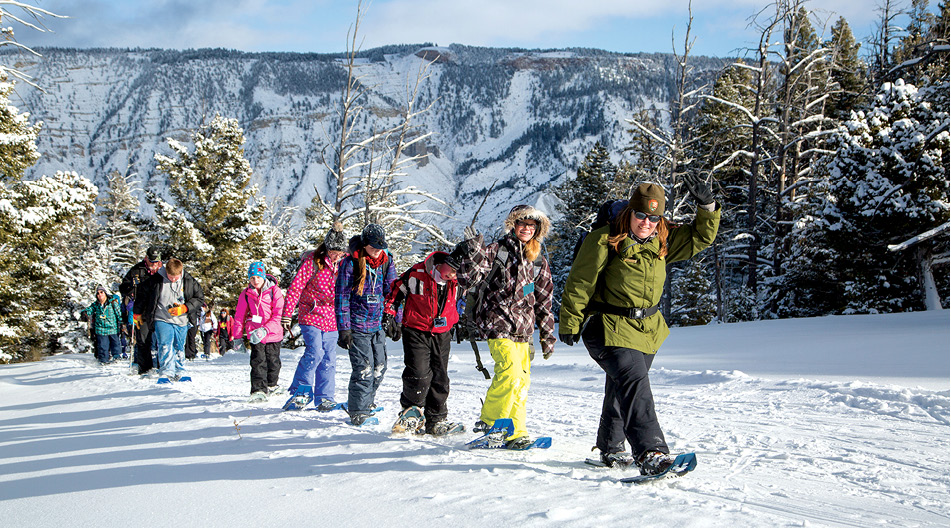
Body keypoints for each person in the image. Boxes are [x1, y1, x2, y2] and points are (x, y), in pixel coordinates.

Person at [558, 177, 719, 476]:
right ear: (630, 212)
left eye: (654, 217)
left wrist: (707, 207)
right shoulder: (605, 239)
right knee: (634, 383)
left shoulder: (663, 240)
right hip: (606, 326)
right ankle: (652, 453)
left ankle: (611, 447)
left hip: (647, 329)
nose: (647, 222)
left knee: (624, 386)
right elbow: (580, 282)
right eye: (641, 215)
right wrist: (570, 320)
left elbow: (700, 237)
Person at [455, 205, 556, 449]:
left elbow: (544, 300)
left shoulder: (538, 259)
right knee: (509, 372)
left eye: (532, 226)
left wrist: (547, 335)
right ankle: (491, 422)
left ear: (538, 230)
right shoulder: (496, 250)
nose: (527, 229)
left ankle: (516, 431)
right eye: (522, 224)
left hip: (524, 328)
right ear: (513, 225)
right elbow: (469, 277)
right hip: (496, 320)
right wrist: (474, 250)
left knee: (521, 381)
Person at [383, 248, 466, 435]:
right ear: (442, 264)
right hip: (416, 329)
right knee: (419, 373)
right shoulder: (418, 273)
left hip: (443, 332)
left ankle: (436, 420)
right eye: (452, 270)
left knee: (440, 377)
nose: (453, 275)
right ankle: (411, 413)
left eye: (457, 272)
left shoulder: (458, 281)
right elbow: (396, 291)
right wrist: (389, 313)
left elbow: (465, 298)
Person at [335, 223, 397, 426]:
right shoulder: (350, 263)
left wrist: (394, 318)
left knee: (380, 366)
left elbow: (393, 292)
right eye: (373, 247)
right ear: (364, 245)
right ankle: (358, 411)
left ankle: (367, 401)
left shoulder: (386, 260)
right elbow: (342, 296)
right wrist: (344, 329)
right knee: (364, 369)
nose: (377, 251)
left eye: (380, 247)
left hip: (377, 324)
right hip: (357, 325)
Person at [282, 223, 348, 410]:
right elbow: (296, 287)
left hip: (332, 317)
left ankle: (324, 397)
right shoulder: (313, 261)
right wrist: (287, 314)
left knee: (328, 357)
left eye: (340, 253)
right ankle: (301, 389)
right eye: (333, 252)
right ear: (326, 249)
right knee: (315, 351)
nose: (336, 256)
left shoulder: (344, 264)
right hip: (310, 313)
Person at [133, 257, 204, 381]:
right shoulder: (156, 280)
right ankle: (166, 371)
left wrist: (184, 308)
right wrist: (137, 313)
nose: (173, 279)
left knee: (179, 346)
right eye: (170, 277)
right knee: (165, 344)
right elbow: (142, 295)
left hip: (181, 320)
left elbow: (199, 298)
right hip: (161, 318)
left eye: (176, 277)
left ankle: (179, 370)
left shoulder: (188, 281)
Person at [232, 261, 285, 399]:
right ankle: (258, 390)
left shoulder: (274, 291)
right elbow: (239, 316)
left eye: (258, 277)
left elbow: (278, 315)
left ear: (264, 277)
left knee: (273, 362)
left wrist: (266, 329)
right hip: (255, 334)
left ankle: (271, 385)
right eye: (252, 278)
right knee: (258, 362)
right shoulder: (246, 294)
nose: (255, 281)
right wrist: (237, 337)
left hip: (273, 334)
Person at [120, 246, 163, 374]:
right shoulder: (136, 270)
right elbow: (123, 286)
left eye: (157, 261)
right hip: (141, 311)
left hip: (159, 310)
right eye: (151, 261)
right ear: (146, 258)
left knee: (162, 340)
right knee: (143, 340)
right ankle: (145, 369)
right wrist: (131, 292)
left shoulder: (164, 271)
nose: (154, 264)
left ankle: (163, 367)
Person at [83, 285, 125, 365]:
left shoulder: (112, 303)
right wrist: (85, 313)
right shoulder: (96, 305)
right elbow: (89, 309)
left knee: (115, 345)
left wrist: (122, 324)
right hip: (101, 330)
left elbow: (119, 314)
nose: (100, 295)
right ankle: (103, 360)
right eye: (98, 293)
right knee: (103, 346)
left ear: (105, 293)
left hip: (113, 328)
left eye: (101, 292)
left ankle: (117, 358)